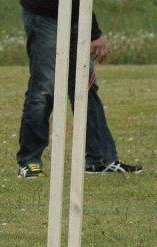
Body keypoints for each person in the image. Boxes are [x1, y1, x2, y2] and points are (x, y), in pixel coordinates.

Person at [17, 0, 143, 178]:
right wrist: (94, 32)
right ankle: (29, 161)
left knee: (85, 88)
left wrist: (93, 31)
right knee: (44, 88)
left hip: (78, 15)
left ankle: (100, 159)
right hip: (45, 12)